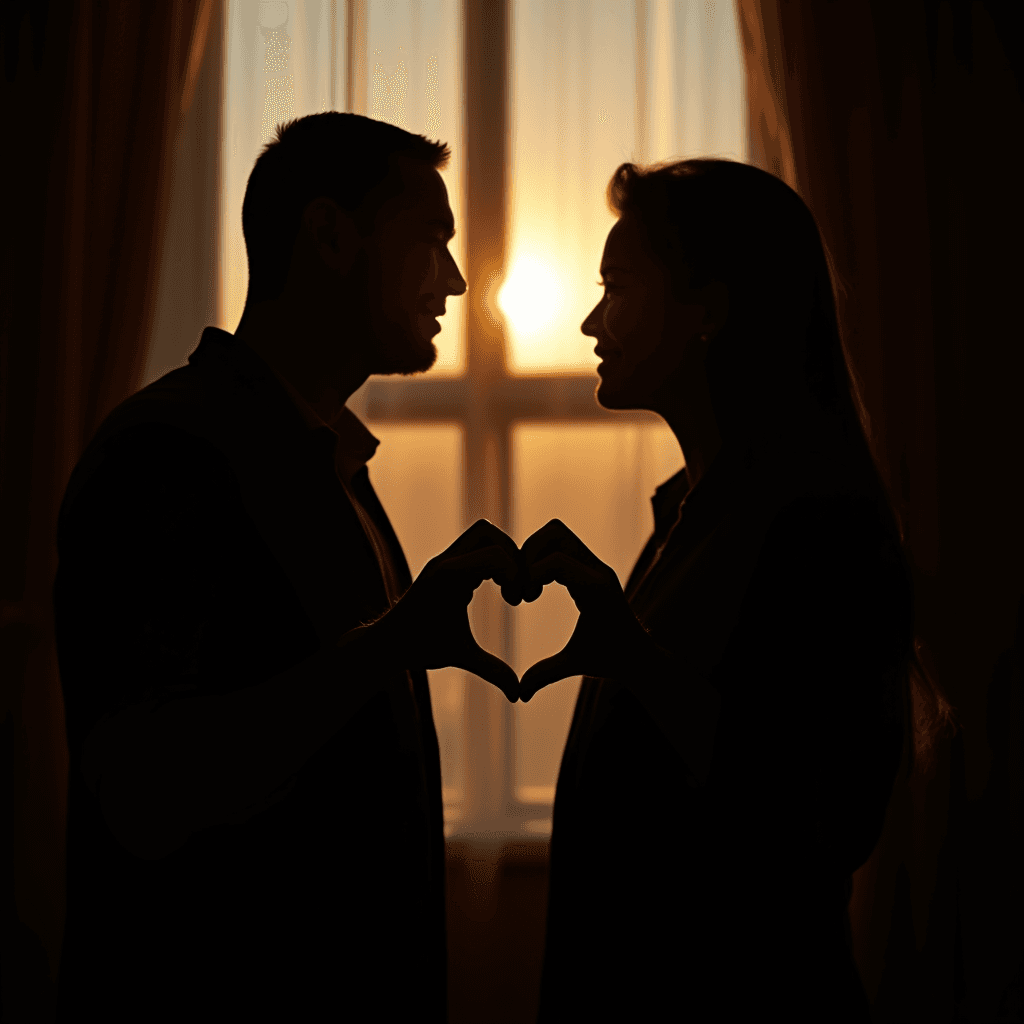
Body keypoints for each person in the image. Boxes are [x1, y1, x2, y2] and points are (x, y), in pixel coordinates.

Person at [53, 113, 521, 1021]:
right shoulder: (166, 454)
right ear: (331, 236)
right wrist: (389, 648)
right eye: (431, 241)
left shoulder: (321, 457)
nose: (457, 282)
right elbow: (148, 788)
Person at [520, 159, 917, 1021]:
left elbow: (825, 820)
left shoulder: (818, 522)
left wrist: (635, 658)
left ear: (710, 308)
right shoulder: (691, 514)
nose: (591, 321)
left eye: (616, 287)